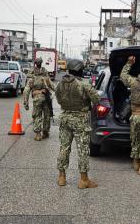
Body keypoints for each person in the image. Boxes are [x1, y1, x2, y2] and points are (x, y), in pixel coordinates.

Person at [55, 59, 99, 189]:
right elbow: (96, 99)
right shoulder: (84, 84)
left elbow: (58, 99)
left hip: (65, 118)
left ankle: (61, 177)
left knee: (64, 147)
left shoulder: (59, 84)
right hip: (80, 119)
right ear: (80, 70)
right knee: (83, 150)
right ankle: (84, 180)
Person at [23, 57, 54, 141]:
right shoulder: (46, 76)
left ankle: (38, 134)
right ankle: (45, 132)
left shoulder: (31, 77)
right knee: (47, 115)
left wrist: (25, 103)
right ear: (42, 63)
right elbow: (53, 87)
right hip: (46, 98)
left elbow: (26, 90)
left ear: (35, 64)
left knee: (37, 115)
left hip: (37, 98)